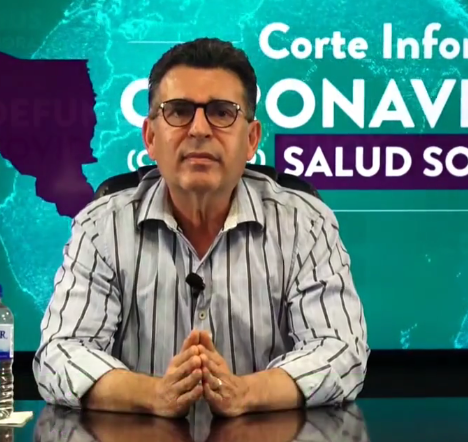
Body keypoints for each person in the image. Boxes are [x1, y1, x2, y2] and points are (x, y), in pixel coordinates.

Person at [33, 37, 369, 418]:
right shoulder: (101, 227)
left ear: (251, 140)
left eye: (221, 112)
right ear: (150, 138)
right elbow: (60, 352)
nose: (198, 130)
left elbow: (342, 350)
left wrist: (246, 393)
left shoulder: (305, 225)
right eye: (178, 111)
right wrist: (154, 395)